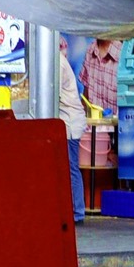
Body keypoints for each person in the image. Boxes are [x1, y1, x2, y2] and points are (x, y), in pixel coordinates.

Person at [57, 35, 87, 223]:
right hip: (68, 122)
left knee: (71, 168)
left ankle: (78, 212)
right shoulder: (59, 61)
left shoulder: (57, 64)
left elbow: (52, 92)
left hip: (70, 123)